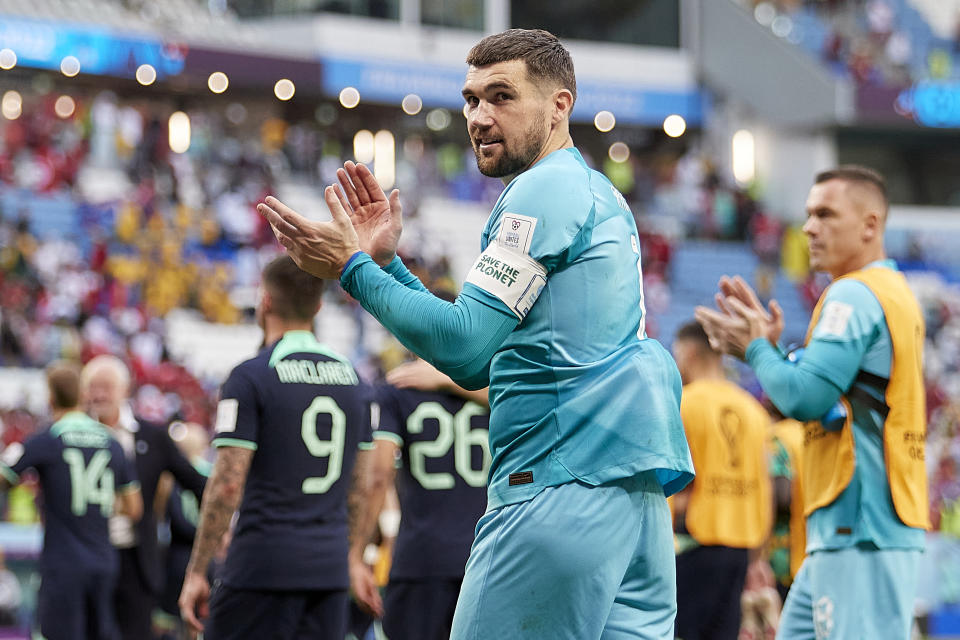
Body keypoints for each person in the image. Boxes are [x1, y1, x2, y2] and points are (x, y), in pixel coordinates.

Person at [258, 28, 694, 639]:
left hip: (555, 486)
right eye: (470, 100)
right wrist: (387, 267)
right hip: (633, 503)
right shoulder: (599, 195)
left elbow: (465, 352)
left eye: (501, 97)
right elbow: (505, 354)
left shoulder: (539, 190)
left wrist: (351, 270)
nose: (479, 117)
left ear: (559, 106)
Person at [695, 165, 928, 640]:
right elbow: (834, 402)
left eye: (825, 214)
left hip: (861, 528)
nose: (808, 228)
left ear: (870, 225)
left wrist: (756, 349)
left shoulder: (854, 296)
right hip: (846, 532)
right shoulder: (886, 292)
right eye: (807, 214)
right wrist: (774, 351)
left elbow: (803, 397)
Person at [179, 255, 375, 640]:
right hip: (328, 574)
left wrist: (197, 571)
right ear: (318, 307)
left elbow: (227, 483)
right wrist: (350, 557)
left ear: (265, 301)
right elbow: (362, 485)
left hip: (262, 568)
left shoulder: (250, 376)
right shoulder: (355, 380)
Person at [0, 361, 142, 640]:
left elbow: (5, 475)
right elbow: (134, 508)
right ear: (82, 395)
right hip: (104, 561)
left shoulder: (47, 439)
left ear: (50, 396)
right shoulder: (111, 441)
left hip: (63, 562)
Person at [350, 359, 491, 640]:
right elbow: (525, 399)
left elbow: (378, 476)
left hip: (421, 559)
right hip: (488, 556)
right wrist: (455, 381)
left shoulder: (397, 389)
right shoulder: (499, 387)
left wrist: (355, 555)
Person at [81, 355, 207, 640]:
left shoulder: (153, 436)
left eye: (106, 386)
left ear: (125, 389)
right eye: (93, 387)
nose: (99, 394)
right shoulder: (68, 436)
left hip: (136, 562)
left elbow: (196, 482)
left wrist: (216, 530)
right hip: (86, 557)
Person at [669, 321, 773, 640]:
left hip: (693, 542)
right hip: (741, 549)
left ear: (688, 353)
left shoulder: (684, 403)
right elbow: (764, 490)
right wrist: (759, 558)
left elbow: (675, 481)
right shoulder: (754, 411)